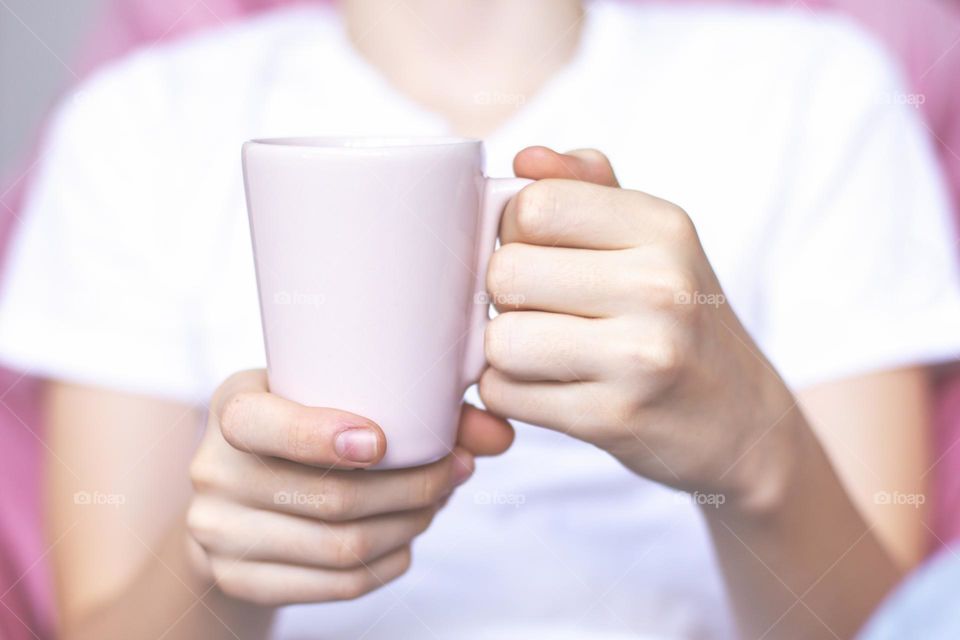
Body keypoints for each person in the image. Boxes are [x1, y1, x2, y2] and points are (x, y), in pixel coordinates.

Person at [0, 0, 958, 638]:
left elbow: (890, 625)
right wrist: (219, 568)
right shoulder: (132, 125)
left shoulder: (820, 90)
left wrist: (757, 457)